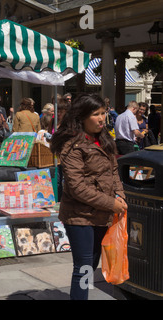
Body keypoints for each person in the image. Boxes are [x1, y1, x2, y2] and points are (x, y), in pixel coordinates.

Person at [50, 93, 128, 300]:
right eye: (96, 114)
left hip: (102, 214)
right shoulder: (72, 145)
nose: (102, 118)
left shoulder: (103, 140)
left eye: (103, 113)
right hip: (80, 216)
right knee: (83, 267)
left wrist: (119, 194)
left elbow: (113, 171)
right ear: (82, 117)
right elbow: (77, 187)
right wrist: (111, 203)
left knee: (91, 266)